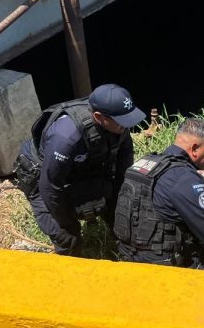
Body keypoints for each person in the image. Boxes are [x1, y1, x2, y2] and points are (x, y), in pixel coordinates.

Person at [12, 83, 145, 256]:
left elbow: (123, 171)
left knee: (124, 215)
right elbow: (50, 186)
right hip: (42, 178)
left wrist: (119, 207)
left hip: (81, 168)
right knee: (68, 237)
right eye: (122, 122)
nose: (126, 127)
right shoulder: (66, 137)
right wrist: (68, 221)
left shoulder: (117, 126)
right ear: (99, 117)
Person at [113, 118, 204, 270]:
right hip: (166, 267)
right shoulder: (185, 178)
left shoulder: (145, 164)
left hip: (128, 257)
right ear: (194, 148)